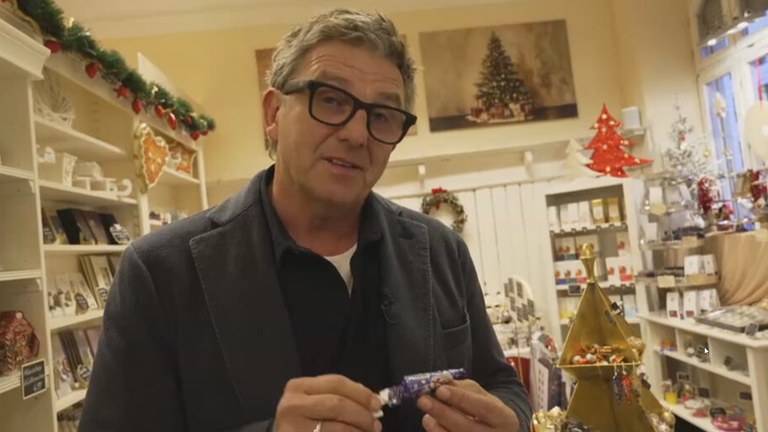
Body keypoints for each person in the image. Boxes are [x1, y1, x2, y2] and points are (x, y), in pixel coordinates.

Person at [80, 8, 531, 432]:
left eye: (382, 115)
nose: (356, 134)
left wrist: (510, 419)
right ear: (273, 114)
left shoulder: (441, 250)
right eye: (331, 100)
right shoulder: (160, 273)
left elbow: (501, 382)